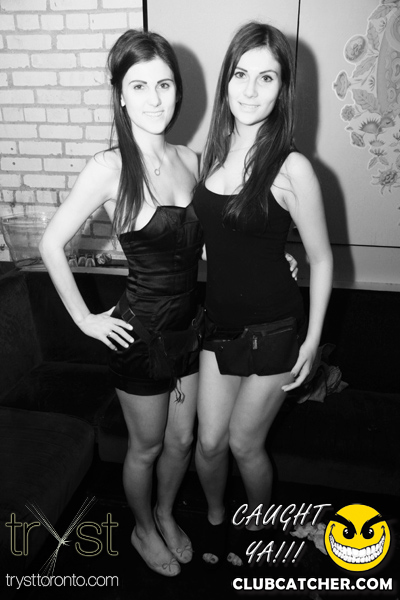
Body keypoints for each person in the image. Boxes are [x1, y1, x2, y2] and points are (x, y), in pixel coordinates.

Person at [40, 29, 204, 577]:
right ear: (121, 95)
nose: (155, 98)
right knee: (147, 447)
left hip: (188, 329)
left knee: (183, 440)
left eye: (164, 84)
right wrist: (85, 319)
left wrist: (275, 264)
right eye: (139, 86)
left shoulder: (191, 159)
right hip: (138, 335)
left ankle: (165, 514)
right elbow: (51, 243)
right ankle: (141, 529)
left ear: (177, 90)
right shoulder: (108, 167)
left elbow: (203, 246)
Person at [192, 21, 333, 567]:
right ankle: (215, 519)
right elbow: (218, 239)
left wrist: (312, 342)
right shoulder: (210, 156)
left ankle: (258, 530)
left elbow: (322, 258)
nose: (250, 90)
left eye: (266, 77)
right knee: (209, 444)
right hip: (219, 324)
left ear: (282, 90)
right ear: (226, 80)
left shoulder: (292, 166)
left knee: (244, 443)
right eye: (241, 74)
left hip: (276, 328)